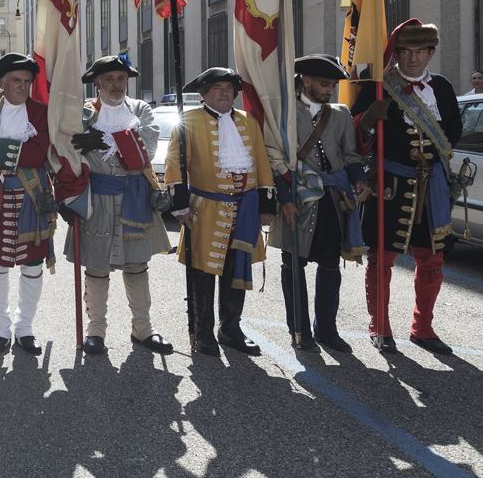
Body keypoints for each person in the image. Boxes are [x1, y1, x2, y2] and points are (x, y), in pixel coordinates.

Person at [351, 20, 462, 355]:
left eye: (420, 51)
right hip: (391, 185)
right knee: (381, 258)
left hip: (433, 188)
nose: (413, 58)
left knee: (431, 260)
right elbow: (353, 134)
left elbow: (453, 130)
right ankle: (380, 326)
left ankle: (423, 327)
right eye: (406, 51)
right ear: (396, 53)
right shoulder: (378, 87)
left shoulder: (441, 88)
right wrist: (368, 119)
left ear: (430, 53)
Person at [165, 68, 276, 357]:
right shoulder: (188, 121)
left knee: (235, 270)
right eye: (217, 88)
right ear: (204, 95)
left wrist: (266, 205)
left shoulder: (248, 121)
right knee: (202, 271)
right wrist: (180, 206)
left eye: (229, 87)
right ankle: (203, 331)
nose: (225, 92)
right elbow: (175, 166)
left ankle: (230, 329)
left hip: (246, 210)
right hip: (207, 209)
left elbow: (262, 163)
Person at [67, 55, 173, 356]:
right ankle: (95, 331)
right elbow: (69, 150)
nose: (116, 84)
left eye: (121, 79)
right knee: (97, 267)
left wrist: (100, 140)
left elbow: (147, 148)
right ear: (97, 83)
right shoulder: (84, 112)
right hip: (96, 200)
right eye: (110, 79)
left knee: (137, 266)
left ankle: (143, 328)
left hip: (134, 197)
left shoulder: (140, 109)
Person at [274, 55, 370, 353]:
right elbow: (273, 161)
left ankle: (327, 329)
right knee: (294, 265)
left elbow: (351, 155)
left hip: (332, 199)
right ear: (306, 81)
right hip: (297, 198)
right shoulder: (283, 112)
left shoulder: (340, 113)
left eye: (333, 85)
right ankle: (299, 329)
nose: (330, 91)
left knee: (330, 265)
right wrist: (285, 200)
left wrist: (359, 179)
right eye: (325, 84)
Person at [0, 53, 58, 356]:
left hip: (32, 196)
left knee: (32, 264)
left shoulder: (41, 113)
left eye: (27, 81)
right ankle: (1, 330)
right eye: (16, 81)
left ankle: (25, 328)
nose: (22, 86)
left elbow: (36, 154)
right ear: (1, 84)